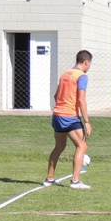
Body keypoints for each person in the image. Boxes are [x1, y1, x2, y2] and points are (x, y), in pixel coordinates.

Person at [45, 50, 93, 189]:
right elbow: (82, 99)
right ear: (86, 62)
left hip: (57, 114)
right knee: (82, 146)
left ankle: (49, 178)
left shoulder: (65, 74)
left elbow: (56, 96)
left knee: (59, 146)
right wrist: (87, 122)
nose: (89, 66)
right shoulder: (81, 76)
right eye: (89, 64)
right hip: (69, 116)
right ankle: (75, 181)